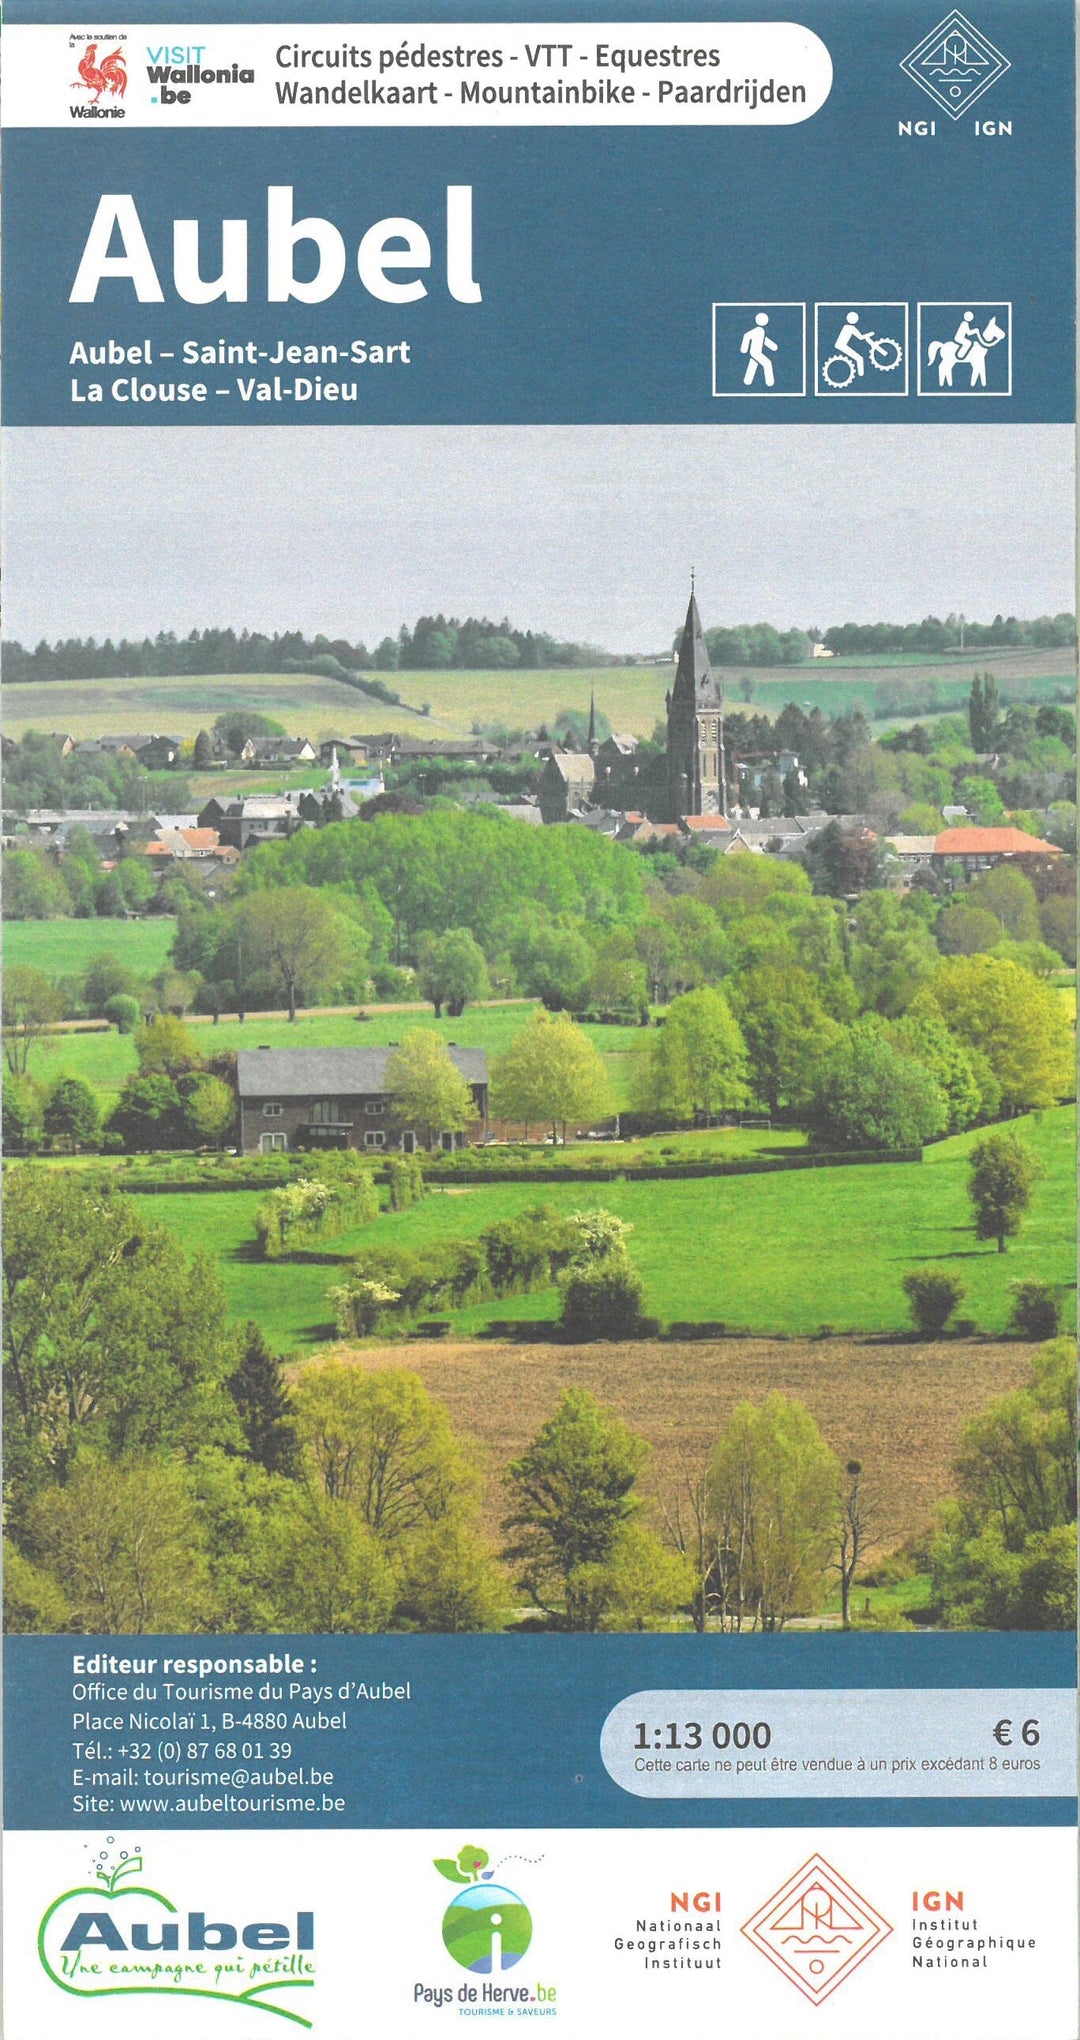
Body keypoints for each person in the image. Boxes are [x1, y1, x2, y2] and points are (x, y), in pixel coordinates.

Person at [740, 311, 778, 387]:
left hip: (755, 353)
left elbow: (764, 340)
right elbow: (746, 336)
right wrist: (744, 349)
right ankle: (770, 383)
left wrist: (773, 347)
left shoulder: (761, 331)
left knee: (753, 364)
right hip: (755, 352)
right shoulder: (757, 331)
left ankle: (747, 381)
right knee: (767, 363)